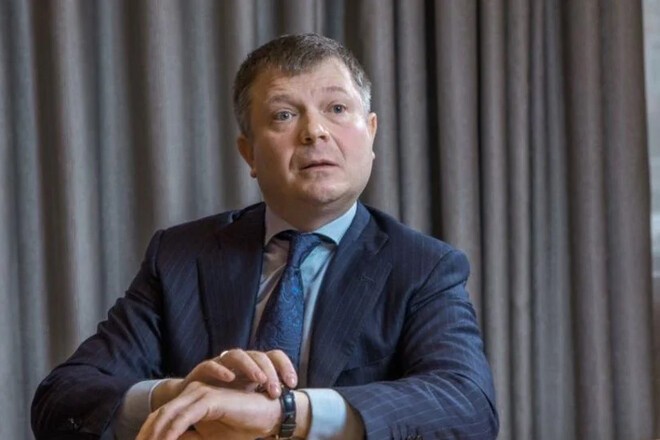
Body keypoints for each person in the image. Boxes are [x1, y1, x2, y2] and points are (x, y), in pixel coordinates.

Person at [31, 33, 498, 439]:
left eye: (337, 109)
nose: (315, 131)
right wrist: (180, 397)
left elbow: (468, 405)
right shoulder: (180, 257)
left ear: (370, 133)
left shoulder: (423, 266)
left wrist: (286, 413)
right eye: (283, 115)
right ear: (249, 153)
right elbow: (62, 397)